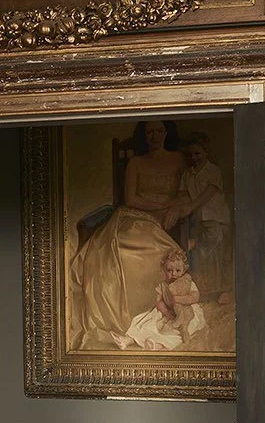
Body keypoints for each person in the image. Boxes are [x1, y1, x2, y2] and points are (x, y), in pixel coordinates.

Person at [67, 123, 188, 349]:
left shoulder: (179, 159)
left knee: (158, 251)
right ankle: (122, 320)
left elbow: (185, 193)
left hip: (163, 217)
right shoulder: (135, 162)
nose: (154, 136)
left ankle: (149, 317)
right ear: (144, 135)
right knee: (118, 249)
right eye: (149, 132)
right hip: (134, 215)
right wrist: (163, 204)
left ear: (166, 133)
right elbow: (131, 199)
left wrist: (177, 207)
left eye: (159, 131)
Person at [165, 137, 232, 300]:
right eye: (190, 155)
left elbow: (206, 195)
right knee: (204, 256)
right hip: (200, 218)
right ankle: (207, 290)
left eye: (197, 153)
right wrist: (178, 205)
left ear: (205, 153)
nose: (194, 158)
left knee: (218, 250)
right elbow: (182, 194)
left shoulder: (213, 170)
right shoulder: (188, 174)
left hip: (215, 215)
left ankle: (224, 290)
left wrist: (190, 207)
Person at [121, 248, 206, 351]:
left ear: (184, 270)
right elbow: (159, 301)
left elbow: (195, 297)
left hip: (186, 312)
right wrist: (166, 312)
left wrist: (179, 299)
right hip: (168, 311)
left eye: (178, 270)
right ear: (163, 271)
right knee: (149, 321)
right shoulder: (163, 285)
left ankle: (158, 345)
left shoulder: (187, 283)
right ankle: (129, 340)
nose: (174, 273)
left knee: (180, 330)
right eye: (169, 270)